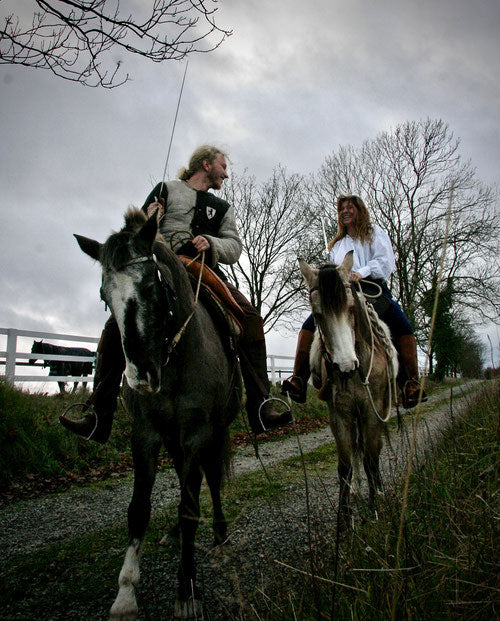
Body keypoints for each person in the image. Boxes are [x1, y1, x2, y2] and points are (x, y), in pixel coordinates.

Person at [60, 145, 292, 441]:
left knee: (250, 317)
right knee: (114, 325)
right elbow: (132, 236)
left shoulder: (223, 208)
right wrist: (150, 218)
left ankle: (260, 407)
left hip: (202, 272)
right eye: (223, 166)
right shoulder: (165, 189)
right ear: (206, 164)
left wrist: (212, 242)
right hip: (162, 267)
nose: (227, 173)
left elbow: (234, 247)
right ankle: (98, 415)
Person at [281, 194, 426, 409]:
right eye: (341, 209)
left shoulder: (374, 233)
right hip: (343, 294)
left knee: (402, 325)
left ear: (360, 210)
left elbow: (385, 262)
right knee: (309, 325)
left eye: (350, 208)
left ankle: (410, 383)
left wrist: (362, 272)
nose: (345, 212)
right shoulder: (338, 244)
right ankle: (299, 380)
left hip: (373, 291)